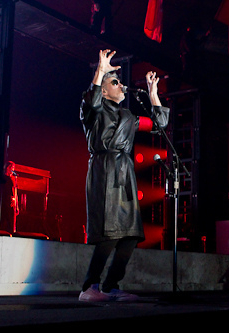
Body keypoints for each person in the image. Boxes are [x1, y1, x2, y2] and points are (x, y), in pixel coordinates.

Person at [79, 49, 169, 302]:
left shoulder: (128, 117)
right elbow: (91, 99)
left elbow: (159, 124)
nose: (122, 86)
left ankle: (110, 286)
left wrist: (153, 94)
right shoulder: (93, 112)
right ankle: (89, 287)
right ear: (104, 90)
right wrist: (101, 71)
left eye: (120, 82)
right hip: (105, 169)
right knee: (110, 232)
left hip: (124, 172)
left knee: (130, 234)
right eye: (115, 82)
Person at [0, 161, 19, 234]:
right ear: (7, 168)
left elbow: (15, 192)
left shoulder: (13, 179)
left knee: (10, 221)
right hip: (5, 202)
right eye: (11, 167)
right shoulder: (4, 178)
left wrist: (17, 205)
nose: (13, 170)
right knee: (4, 220)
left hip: (11, 203)